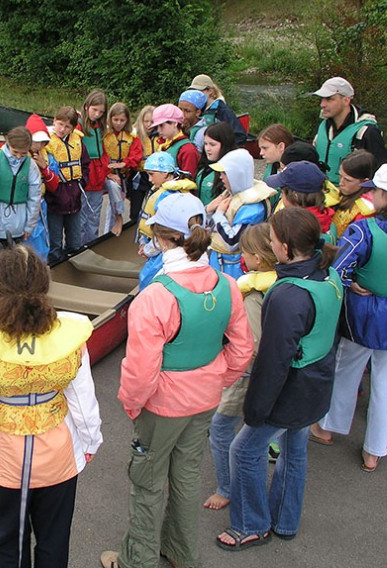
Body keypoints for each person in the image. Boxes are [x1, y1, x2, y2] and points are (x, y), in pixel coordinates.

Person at [102, 193, 254, 568]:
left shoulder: (155, 296)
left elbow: (141, 370)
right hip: (205, 398)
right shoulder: (227, 284)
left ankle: (138, 561)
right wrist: (218, 379)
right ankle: (182, 552)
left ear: (162, 237)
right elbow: (243, 347)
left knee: (148, 483)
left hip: (162, 404)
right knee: (187, 478)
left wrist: (132, 403)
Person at [0, 245, 103, 568]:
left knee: (10, 540)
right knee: (54, 541)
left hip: (9, 463)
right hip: (60, 459)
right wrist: (91, 441)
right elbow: (82, 398)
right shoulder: (69, 337)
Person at [216, 207, 342, 550]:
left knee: (244, 451)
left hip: (291, 388)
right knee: (293, 447)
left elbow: (274, 362)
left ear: (285, 247)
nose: (270, 244)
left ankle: (251, 525)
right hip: (317, 381)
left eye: (273, 239)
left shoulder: (287, 295)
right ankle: (285, 520)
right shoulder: (327, 273)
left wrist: (256, 408)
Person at [311, 163, 387, 472]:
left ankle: (327, 428)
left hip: (362, 315)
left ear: (385, 196)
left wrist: (352, 284)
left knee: (347, 371)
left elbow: (340, 268)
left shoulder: (364, 230)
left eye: (375, 191)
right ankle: (374, 451)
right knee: (385, 385)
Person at [204, 223, 278, 512]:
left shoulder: (255, 297)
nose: (242, 257)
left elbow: (253, 343)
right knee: (251, 431)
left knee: (221, 427)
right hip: (260, 373)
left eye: (245, 253)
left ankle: (227, 487)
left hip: (246, 372)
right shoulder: (278, 282)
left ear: (257, 259)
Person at [206, 148, 276, 279]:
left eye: (225, 173)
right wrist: (208, 210)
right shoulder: (230, 194)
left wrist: (219, 214)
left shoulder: (253, 208)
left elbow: (232, 242)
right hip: (218, 262)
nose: (220, 177)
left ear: (236, 174)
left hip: (233, 268)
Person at [136, 152, 196, 289]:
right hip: (158, 246)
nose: (150, 180)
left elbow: (164, 232)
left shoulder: (167, 197)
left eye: (152, 174)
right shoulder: (165, 192)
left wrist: (147, 249)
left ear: (165, 173)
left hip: (163, 250)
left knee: (148, 281)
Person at [311, 76, 387, 184]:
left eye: (329, 99)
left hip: (353, 197)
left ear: (346, 100)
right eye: (322, 99)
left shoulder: (367, 131)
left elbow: (382, 172)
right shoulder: (324, 127)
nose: (322, 104)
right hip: (323, 194)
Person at [45, 106, 91, 263]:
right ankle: (56, 269)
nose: (62, 129)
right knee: (55, 244)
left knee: (75, 242)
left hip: (74, 199)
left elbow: (85, 164)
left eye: (67, 127)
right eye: (60, 124)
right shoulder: (47, 143)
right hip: (55, 202)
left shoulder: (78, 142)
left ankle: (74, 269)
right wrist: (55, 191)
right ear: (54, 122)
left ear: (73, 128)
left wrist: (82, 184)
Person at [0, 126, 42, 246]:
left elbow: (35, 197)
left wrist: (29, 226)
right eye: (15, 152)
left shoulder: (31, 166)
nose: (18, 157)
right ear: (8, 143)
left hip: (18, 222)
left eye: (23, 153)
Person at [266, 160, 336, 241]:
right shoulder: (328, 221)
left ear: (295, 196)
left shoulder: (294, 232)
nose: (281, 198)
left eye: (282, 193)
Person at [103, 102, 142, 236]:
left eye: (122, 120)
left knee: (115, 197)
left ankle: (109, 231)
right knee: (114, 189)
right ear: (110, 119)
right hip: (106, 173)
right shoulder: (105, 134)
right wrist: (108, 173)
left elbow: (137, 155)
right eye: (115, 120)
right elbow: (100, 155)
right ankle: (119, 217)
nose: (118, 123)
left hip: (123, 174)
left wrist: (124, 163)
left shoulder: (131, 136)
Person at [24, 113, 59, 262]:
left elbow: (54, 185)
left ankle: (41, 267)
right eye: (35, 141)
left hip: (40, 204)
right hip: (22, 206)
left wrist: (44, 167)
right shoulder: (17, 155)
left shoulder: (48, 157)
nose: (38, 145)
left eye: (42, 141)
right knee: (23, 243)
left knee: (41, 240)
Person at [79, 89, 110, 244]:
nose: (97, 114)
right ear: (86, 107)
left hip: (98, 176)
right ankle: (78, 247)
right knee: (81, 215)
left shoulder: (101, 127)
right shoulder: (78, 126)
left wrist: (107, 171)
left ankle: (92, 244)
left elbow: (104, 153)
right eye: (94, 110)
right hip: (85, 176)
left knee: (94, 215)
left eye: (101, 112)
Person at [327, 149, 376, 239]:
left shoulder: (365, 211)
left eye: (347, 180)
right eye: (340, 176)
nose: (341, 182)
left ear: (365, 181)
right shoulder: (340, 193)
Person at [187, 74, 247, 144]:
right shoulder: (199, 108)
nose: (196, 95)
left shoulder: (222, 110)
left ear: (210, 91)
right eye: (193, 91)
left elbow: (240, 136)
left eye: (199, 91)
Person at [151, 104, 199, 178]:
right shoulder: (163, 145)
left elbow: (189, 181)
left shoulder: (188, 149)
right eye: (156, 127)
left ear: (175, 123)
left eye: (161, 125)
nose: (158, 130)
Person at [196, 121, 238, 205]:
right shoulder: (204, 166)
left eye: (212, 144)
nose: (207, 148)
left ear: (225, 145)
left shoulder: (231, 171)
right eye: (205, 144)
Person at [127, 105, 157, 222]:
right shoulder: (134, 134)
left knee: (153, 208)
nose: (149, 125)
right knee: (135, 210)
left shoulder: (160, 136)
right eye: (146, 121)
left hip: (155, 176)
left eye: (152, 122)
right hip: (138, 175)